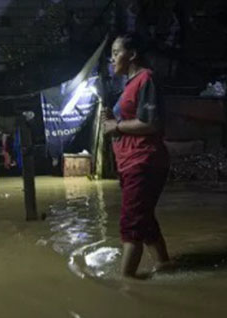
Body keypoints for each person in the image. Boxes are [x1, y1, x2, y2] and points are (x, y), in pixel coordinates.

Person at [101, 33, 172, 278]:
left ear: (132, 55)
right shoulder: (128, 86)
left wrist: (116, 126)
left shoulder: (146, 79)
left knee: (130, 225)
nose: (111, 59)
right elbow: (129, 123)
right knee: (145, 222)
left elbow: (151, 124)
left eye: (115, 53)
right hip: (131, 163)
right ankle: (165, 266)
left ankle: (126, 286)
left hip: (144, 162)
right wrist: (114, 122)